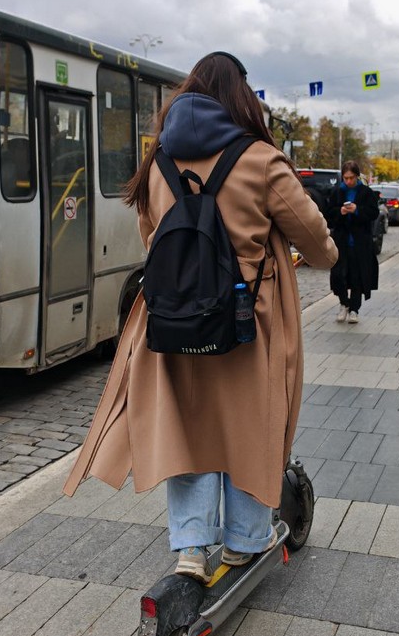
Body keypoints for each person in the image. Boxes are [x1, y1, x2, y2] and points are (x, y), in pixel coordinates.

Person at [61, 51, 337, 583]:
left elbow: (152, 239)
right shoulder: (260, 160)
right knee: (249, 425)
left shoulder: (159, 160)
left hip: (172, 318)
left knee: (186, 427)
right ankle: (244, 541)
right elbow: (315, 241)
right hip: (246, 323)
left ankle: (190, 545)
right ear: (240, 98)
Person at [324, 160, 379, 324]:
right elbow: (328, 215)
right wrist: (340, 212)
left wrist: (357, 210)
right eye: (346, 178)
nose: (348, 181)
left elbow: (373, 213)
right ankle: (344, 304)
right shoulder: (336, 192)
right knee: (338, 275)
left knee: (357, 277)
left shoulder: (366, 192)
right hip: (341, 242)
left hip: (360, 242)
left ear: (357, 176)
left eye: (352, 178)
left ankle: (354, 309)